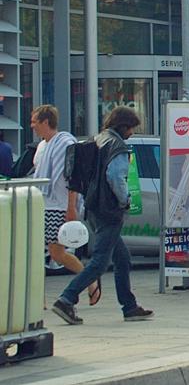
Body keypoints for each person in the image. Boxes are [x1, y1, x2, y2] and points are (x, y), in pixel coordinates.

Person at [51, 107, 153, 324]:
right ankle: (66, 299)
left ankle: (130, 306)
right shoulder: (117, 146)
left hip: (94, 206)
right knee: (100, 261)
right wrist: (125, 200)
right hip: (109, 209)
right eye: (131, 128)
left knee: (122, 258)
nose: (132, 133)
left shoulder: (99, 139)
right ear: (123, 126)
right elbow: (115, 177)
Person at [30, 105, 99, 306]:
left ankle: (90, 279)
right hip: (42, 204)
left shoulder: (65, 143)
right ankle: (39, 300)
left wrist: (71, 207)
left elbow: (72, 177)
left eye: (35, 121)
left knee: (56, 253)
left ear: (45, 122)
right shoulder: (43, 145)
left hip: (57, 206)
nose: (32, 126)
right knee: (43, 253)